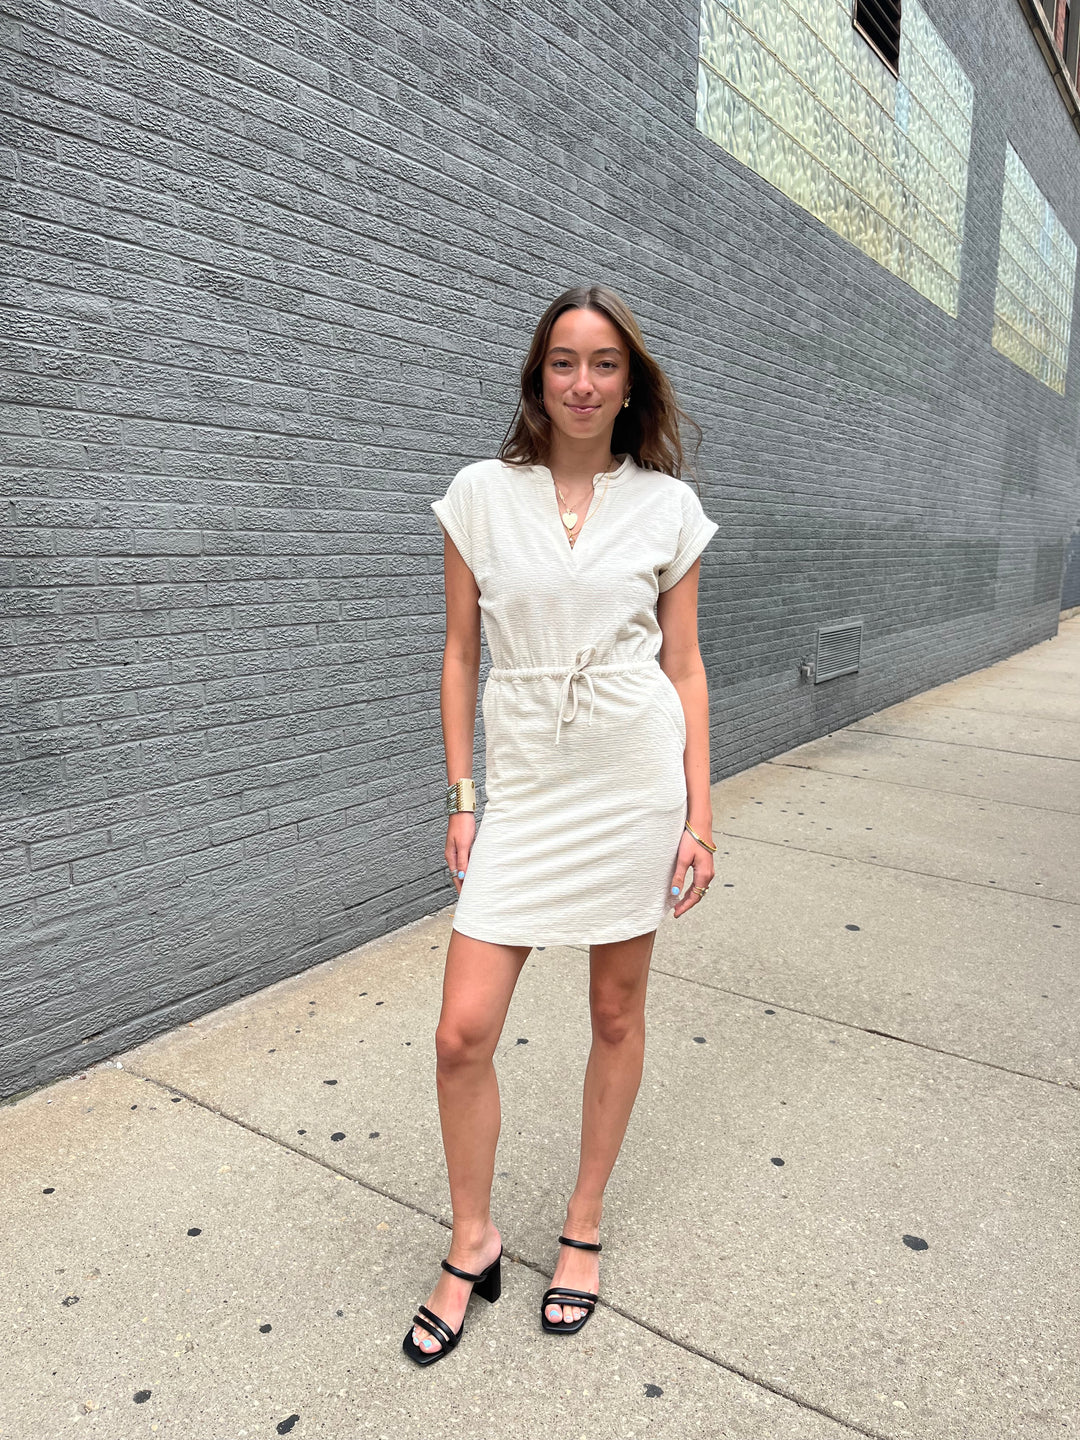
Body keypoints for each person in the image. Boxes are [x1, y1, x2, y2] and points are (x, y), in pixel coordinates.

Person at [403, 283, 720, 1365]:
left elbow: (684, 666)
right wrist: (462, 798)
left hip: (633, 783)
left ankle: (581, 1224)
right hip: (526, 792)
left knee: (617, 1013)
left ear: (632, 383)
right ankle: (474, 1236)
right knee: (461, 1032)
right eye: (564, 363)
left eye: (605, 365)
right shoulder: (481, 496)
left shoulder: (668, 509)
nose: (583, 384)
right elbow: (458, 655)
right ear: (537, 378)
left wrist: (701, 817)